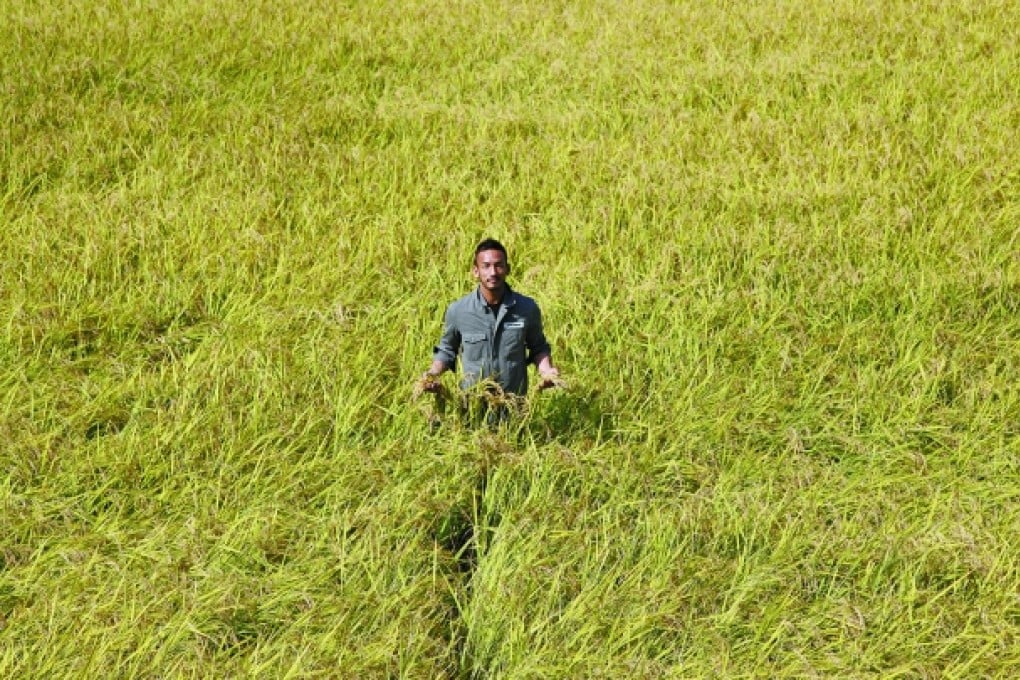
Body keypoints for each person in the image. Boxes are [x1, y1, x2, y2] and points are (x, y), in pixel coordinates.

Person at [419, 238, 560, 406]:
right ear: (476, 271)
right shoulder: (459, 310)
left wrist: (547, 372)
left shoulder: (526, 309)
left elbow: (539, 347)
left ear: (507, 269)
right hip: (472, 406)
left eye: (498, 265)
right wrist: (432, 374)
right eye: (486, 266)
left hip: (514, 405)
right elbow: (447, 349)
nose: (493, 272)